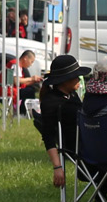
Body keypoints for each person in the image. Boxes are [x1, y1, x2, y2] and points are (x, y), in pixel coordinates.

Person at [33, 53, 90, 186]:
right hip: (76, 147)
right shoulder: (51, 102)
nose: (79, 79)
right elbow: (48, 136)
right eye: (76, 76)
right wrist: (57, 167)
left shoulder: (72, 95)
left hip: (86, 140)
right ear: (65, 79)